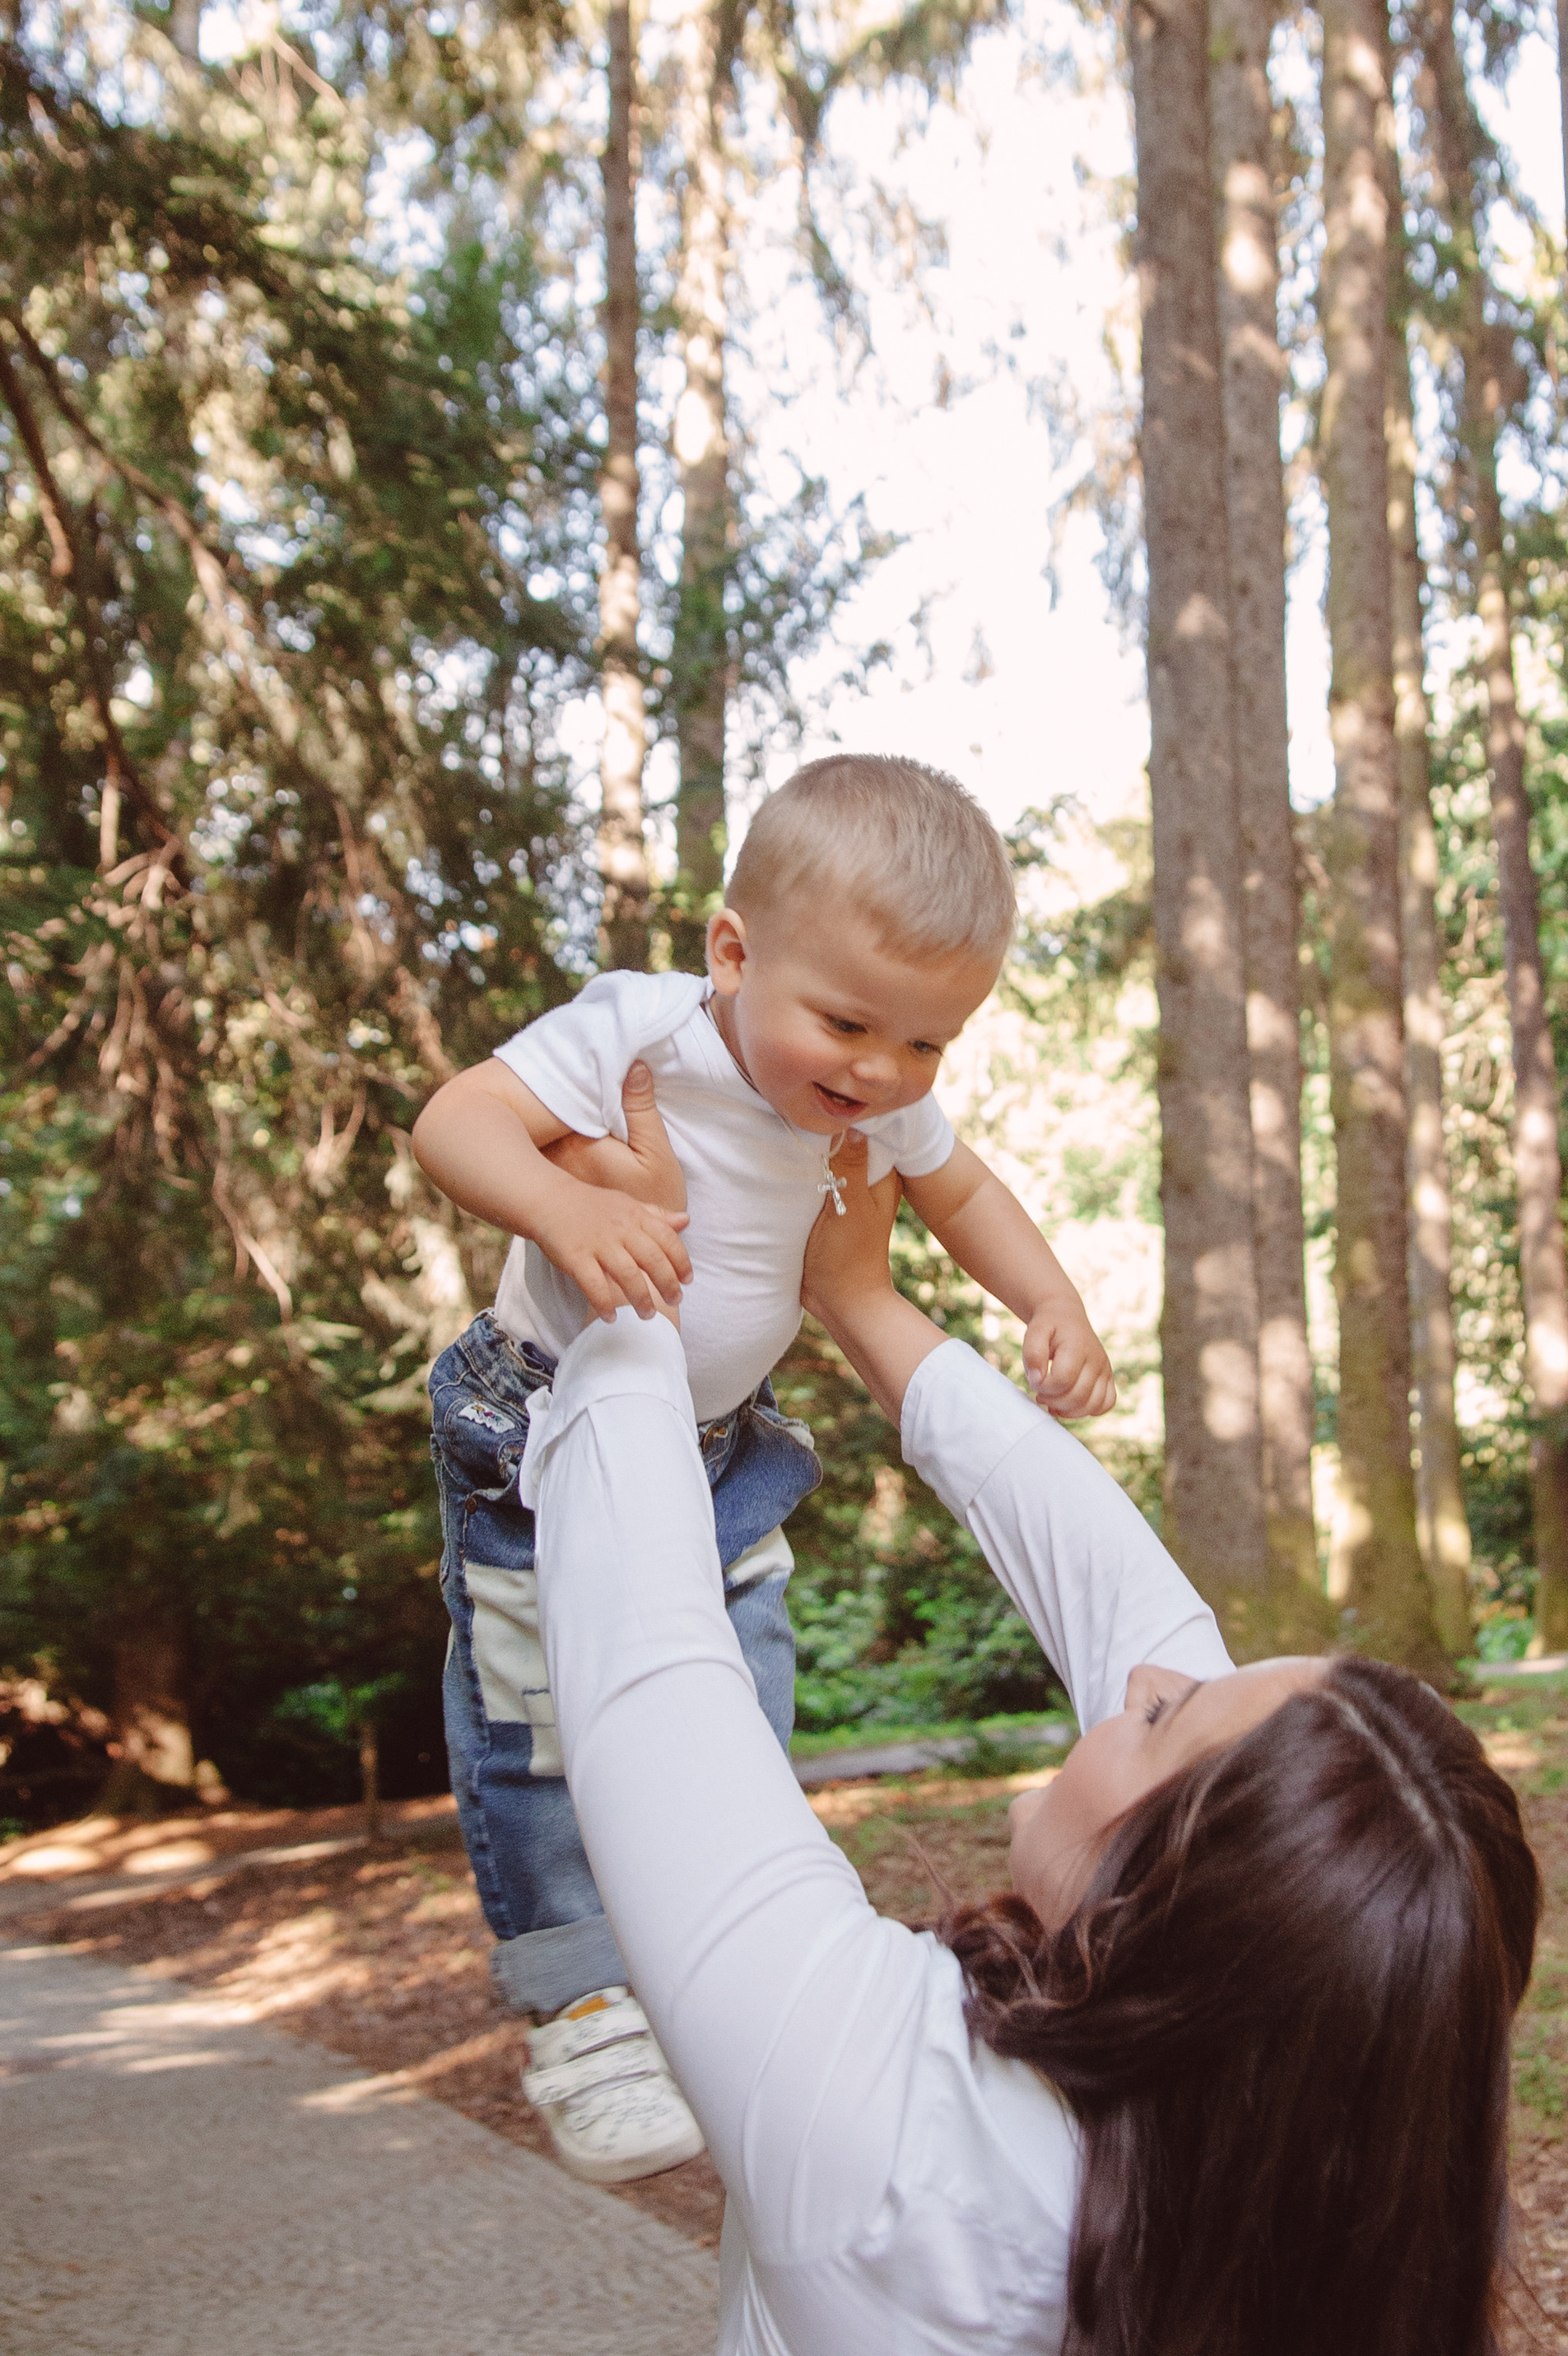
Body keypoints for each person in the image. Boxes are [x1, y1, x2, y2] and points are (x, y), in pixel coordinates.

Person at [520, 1136, 1542, 2356]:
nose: (1142, 1676)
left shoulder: (891, 2118)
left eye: (1163, 1719)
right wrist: (864, 1306)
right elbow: (1129, 1612)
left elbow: (645, 1666)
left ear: (1156, 1903)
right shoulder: (1302, 2131)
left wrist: (617, 1276)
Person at [412, 754, 1116, 2186]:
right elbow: (453, 1121)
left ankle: (708, 1955)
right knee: (535, 1705)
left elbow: (961, 1187)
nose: (881, 1074)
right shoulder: (641, 1030)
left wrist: (1050, 1299)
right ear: (733, 954)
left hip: (719, 1440)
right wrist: (558, 1206)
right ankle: (582, 2009)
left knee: (744, 1693)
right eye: (846, 1024)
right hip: (538, 1423)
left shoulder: (870, 1104)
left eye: (926, 1045)